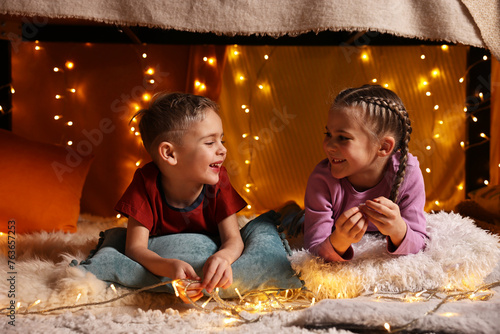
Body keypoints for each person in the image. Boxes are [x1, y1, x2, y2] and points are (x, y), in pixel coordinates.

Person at [115, 92, 247, 302]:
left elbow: (233, 240)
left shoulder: (219, 180)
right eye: (210, 142)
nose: (223, 150)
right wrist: (168, 265)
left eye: (221, 140)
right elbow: (135, 248)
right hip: (166, 259)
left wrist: (223, 257)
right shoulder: (145, 183)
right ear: (169, 154)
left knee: (267, 228)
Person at [304, 84, 428, 262]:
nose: (329, 146)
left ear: (384, 147)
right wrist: (339, 240)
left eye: (343, 138)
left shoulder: (408, 172)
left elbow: (419, 243)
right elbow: (312, 250)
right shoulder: (322, 180)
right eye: (328, 134)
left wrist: (398, 229)